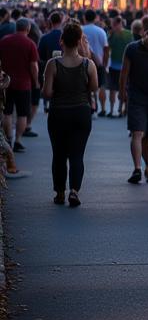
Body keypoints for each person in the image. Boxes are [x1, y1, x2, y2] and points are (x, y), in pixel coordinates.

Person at [42, 20, 98, 207]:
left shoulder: (53, 64)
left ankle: (59, 192)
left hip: (58, 112)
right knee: (77, 154)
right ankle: (74, 190)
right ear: (80, 41)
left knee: (58, 154)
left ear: (61, 41)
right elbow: (93, 87)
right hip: (81, 112)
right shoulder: (88, 64)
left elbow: (47, 93)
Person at [120, 22, 148, 183]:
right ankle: (137, 168)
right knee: (138, 133)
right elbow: (124, 73)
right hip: (136, 96)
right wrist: (122, 93)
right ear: (147, 34)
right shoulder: (132, 48)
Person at [0, 18, 40, 154]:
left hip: (6, 83)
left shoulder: (4, 40)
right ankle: (17, 140)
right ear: (28, 29)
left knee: (7, 112)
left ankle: (9, 139)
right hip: (24, 84)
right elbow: (34, 66)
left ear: (16, 28)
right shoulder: (30, 44)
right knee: (23, 114)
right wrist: (36, 82)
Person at [81, 10, 110, 117]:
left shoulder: (81, 30)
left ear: (85, 17)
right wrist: (105, 63)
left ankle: (90, 106)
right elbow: (106, 49)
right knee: (101, 85)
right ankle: (102, 108)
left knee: (87, 86)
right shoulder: (101, 31)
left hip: (83, 62)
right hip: (99, 63)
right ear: (95, 18)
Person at [107, 15, 132, 117]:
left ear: (115, 24)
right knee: (125, 88)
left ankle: (112, 110)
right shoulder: (129, 33)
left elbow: (108, 47)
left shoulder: (112, 34)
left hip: (114, 65)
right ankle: (123, 109)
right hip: (126, 65)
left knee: (113, 88)